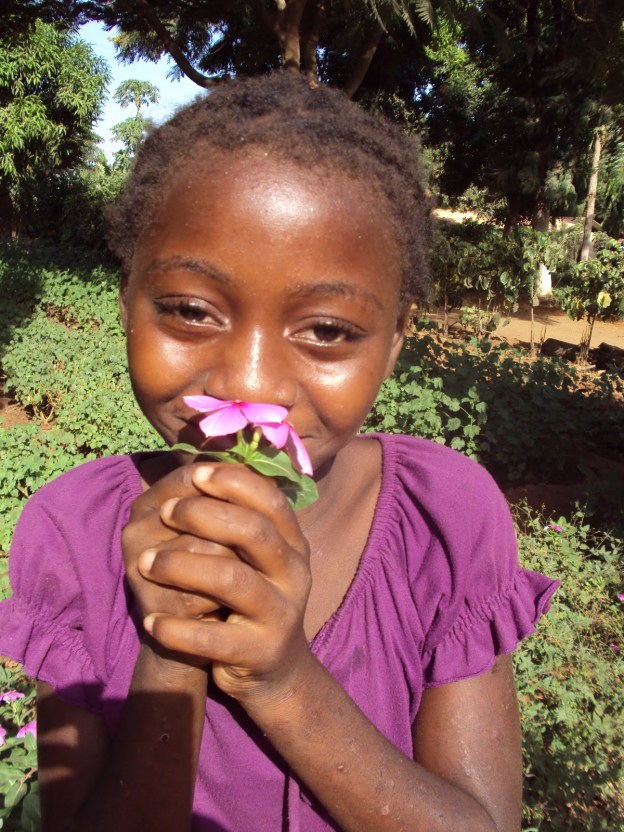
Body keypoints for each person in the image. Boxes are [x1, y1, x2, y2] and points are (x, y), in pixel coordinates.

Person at [0, 73, 558, 832]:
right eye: (190, 311)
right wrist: (174, 648)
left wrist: (283, 679)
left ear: (395, 339)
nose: (251, 386)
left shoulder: (448, 521)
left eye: (327, 331)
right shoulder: (69, 535)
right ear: (128, 299)